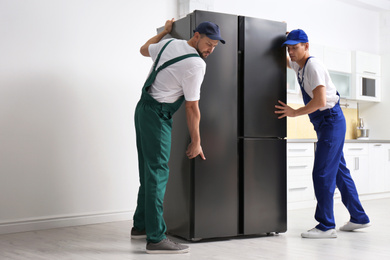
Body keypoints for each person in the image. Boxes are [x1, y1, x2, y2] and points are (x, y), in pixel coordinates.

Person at [131, 18, 225, 253]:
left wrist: (163, 32)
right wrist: (197, 141)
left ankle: (140, 225)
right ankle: (156, 238)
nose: (210, 50)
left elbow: (144, 49)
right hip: (157, 115)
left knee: (148, 171)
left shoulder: (168, 43)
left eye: (214, 46)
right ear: (196, 36)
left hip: (142, 109)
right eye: (208, 44)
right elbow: (192, 107)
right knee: (158, 173)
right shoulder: (196, 64)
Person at [275, 29, 370, 239]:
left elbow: (319, 102)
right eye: (288, 48)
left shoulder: (313, 67)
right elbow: (283, 61)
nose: (291, 52)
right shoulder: (298, 65)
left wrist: (294, 112)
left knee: (322, 173)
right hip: (325, 123)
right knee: (338, 173)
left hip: (331, 121)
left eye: (295, 47)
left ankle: (326, 225)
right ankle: (359, 217)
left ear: (306, 46)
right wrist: (276, 33)